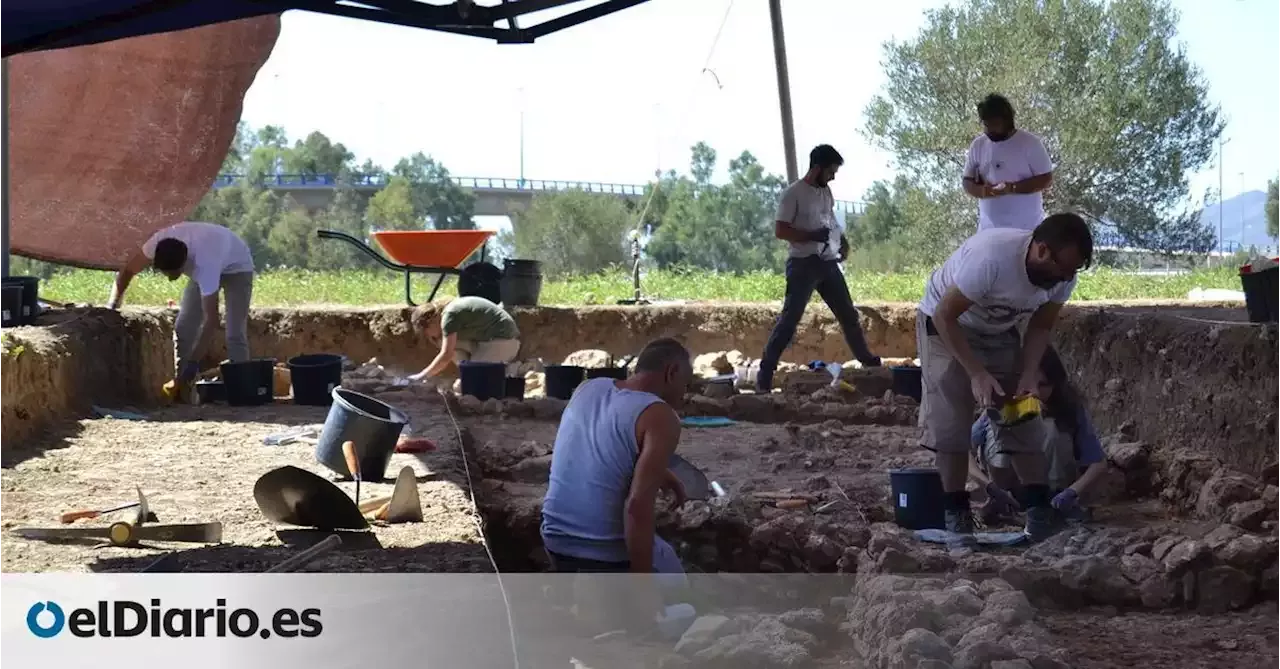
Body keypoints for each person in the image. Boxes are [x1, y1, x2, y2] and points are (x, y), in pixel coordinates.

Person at [916, 212, 1093, 546]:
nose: (1066, 279)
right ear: (1041, 251)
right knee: (951, 422)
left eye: (1073, 271)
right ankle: (957, 516)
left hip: (998, 331)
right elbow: (944, 314)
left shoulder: (1064, 277)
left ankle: (1039, 515)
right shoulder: (992, 258)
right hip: (945, 326)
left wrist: (1028, 373)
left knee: (1021, 414)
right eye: (1063, 268)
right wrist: (976, 373)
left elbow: (1040, 326)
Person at [539, 337, 693, 593]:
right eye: (685, 384)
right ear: (672, 372)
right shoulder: (660, 416)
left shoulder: (588, 388)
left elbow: (594, 451)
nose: (684, 394)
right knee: (682, 596)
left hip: (555, 542)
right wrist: (642, 589)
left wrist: (658, 473)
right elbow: (637, 507)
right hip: (602, 554)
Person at [757, 144, 880, 393]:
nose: (833, 176)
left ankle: (867, 361)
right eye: (831, 171)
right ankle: (765, 372)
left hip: (827, 263)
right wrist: (812, 235)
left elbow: (830, 219)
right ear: (817, 168)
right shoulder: (793, 194)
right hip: (803, 265)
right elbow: (781, 230)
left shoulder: (826, 192)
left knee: (848, 314)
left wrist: (842, 241)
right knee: (790, 320)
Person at [967, 347, 1109, 527]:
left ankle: (1044, 506)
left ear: (1056, 384)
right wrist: (989, 486)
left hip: (1053, 491)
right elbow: (964, 452)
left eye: (1042, 385)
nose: (1033, 392)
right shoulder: (1002, 408)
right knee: (1002, 431)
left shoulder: (1070, 411)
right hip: (1011, 493)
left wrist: (1072, 493)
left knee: (1051, 430)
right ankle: (1008, 506)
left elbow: (1098, 462)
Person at [108, 221, 255, 392]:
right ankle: (183, 384)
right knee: (184, 325)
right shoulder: (155, 244)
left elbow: (211, 320)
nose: (170, 279)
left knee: (234, 331)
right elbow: (127, 271)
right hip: (213, 250)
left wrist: (194, 362)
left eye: (173, 273)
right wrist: (113, 305)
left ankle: (241, 387)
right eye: (165, 273)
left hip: (237, 266)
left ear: (184, 264)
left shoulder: (205, 265)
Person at [962, 93, 1055, 231]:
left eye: (995, 125)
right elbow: (967, 181)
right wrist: (982, 191)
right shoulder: (978, 145)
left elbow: (1046, 179)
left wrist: (1012, 188)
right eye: (986, 125)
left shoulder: (1030, 143)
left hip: (1026, 231)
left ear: (1007, 121)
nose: (989, 130)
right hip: (988, 231)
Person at [408, 295, 521, 382]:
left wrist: (422, 375)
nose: (430, 337)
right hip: (488, 340)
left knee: (472, 386)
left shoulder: (449, 317)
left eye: (426, 333)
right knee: (442, 342)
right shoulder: (449, 312)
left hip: (503, 341)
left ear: (429, 322)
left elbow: (446, 355)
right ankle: (473, 372)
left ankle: (515, 369)